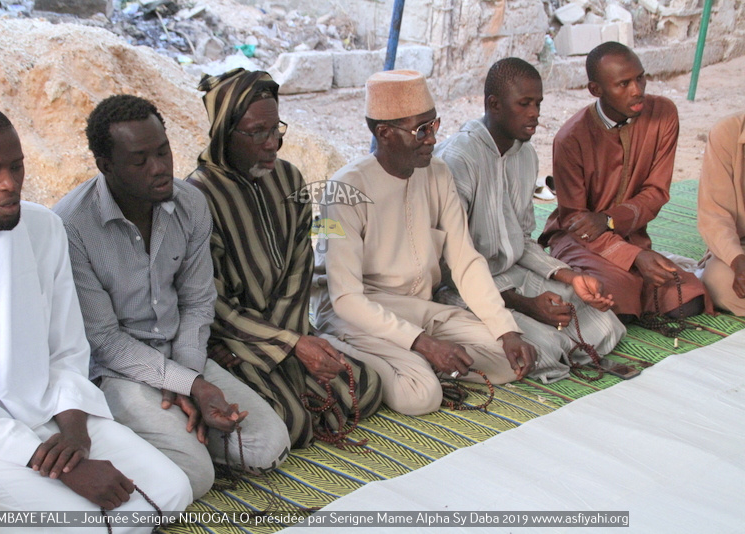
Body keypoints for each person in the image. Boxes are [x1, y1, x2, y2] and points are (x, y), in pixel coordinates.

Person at [0, 97, 192, 533]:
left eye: (16, 167)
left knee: (173, 491)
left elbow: (67, 351)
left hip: (45, 410)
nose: (10, 184)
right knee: (84, 522)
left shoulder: (42, 228)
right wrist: (63, 468)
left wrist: (75, 436)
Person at [53, 95, 290, 500]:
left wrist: (187, 378)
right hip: (118, 372)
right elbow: (105, 342)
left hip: (184, 355)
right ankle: (154, 438)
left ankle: (173, 437)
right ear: (105, 165)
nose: (160, 167)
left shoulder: (190, 203)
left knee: (270, 445)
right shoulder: (71, 226)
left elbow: (198, 303)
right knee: (195, 478)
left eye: (163, 151)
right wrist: (192, 386)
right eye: (140, 160)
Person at [311, 70, 539, 416]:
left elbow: (465, 260)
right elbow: (344, 298)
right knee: (421, 396)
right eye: (421, 130)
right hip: (356, 314)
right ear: (384, 133)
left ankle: (412, 358)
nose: (432, 139)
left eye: (433, 125)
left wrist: (506, 330)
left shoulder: (438, 173)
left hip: (417, 308)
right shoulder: (344, 189)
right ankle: (354, 349)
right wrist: (424, 343)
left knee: (510, 359)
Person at [186, 69, 382, 449]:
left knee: (367, 386)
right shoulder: (198, 199)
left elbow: (299, 267)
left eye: (277, 129)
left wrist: (293, 342)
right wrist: (288, 345)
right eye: (257, 132)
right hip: (234, 341)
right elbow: (214, 303)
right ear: (225, 133)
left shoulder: (289, 179)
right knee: (292, 422)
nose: (272, 143)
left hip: (286, 327)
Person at [434, 58, 626, 382]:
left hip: (510, 272)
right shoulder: (458, 160)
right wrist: (526, 305)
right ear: (494, 105)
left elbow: (522, 239)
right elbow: (453, 265)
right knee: (545, 349)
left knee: (606, 325)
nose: (535, 113)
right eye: (524, 104)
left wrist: (570, 278)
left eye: (538, 103)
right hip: (462, 286)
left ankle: (559, 333)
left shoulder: (525, 155)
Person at [538, 42, 708, 322]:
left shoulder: (663, 115)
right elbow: (576, 220)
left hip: (631, 234)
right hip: (578, 241)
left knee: (688, 298)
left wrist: (609, 220)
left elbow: (656, 191)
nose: (637, 90)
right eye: (623, 84)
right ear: (596, 90)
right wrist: (633, 257)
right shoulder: (571, 139)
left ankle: (633, 290)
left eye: (640, 78)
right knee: (619, 299)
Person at [698, 112, 745, 315]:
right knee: (718, 279)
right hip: (739, 246)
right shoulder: (727, 133)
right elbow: (714, 215)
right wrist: (737, 261)